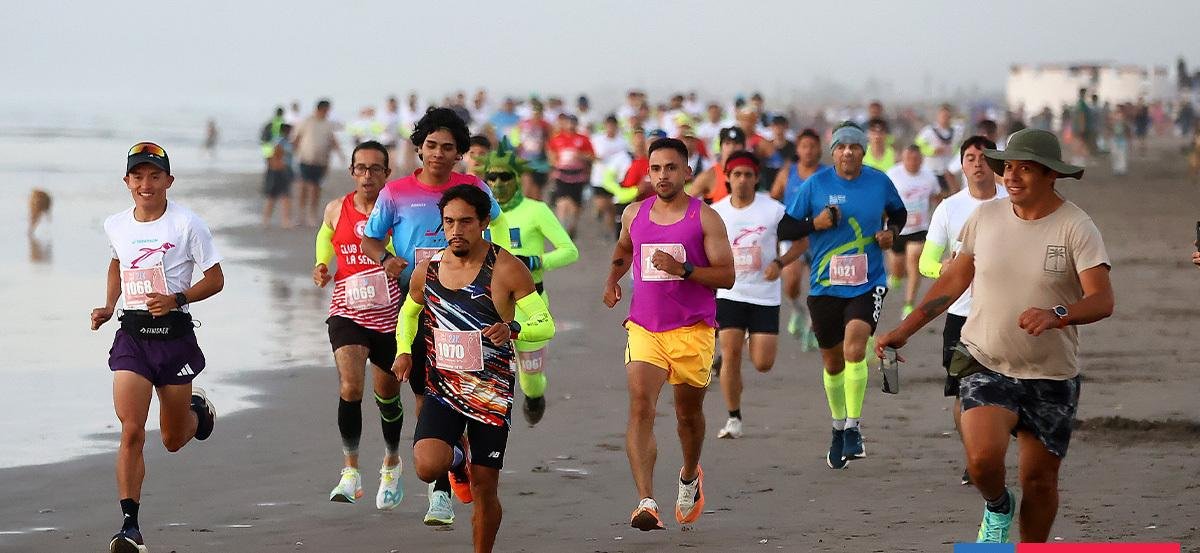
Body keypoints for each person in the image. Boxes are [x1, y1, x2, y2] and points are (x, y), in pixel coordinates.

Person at [876, 128, 1113, 543]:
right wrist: (904, 330)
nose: (1012, 176)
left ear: (1051, 175)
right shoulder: (984, 218)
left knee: (1039, 481)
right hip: (985, 360)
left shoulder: (1076, 226)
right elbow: (953, 281)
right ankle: (998, 505)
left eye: (1025, 169)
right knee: (983, 461)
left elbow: (1102, 299)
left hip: (1050, 374)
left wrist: (1057, 314)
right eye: (1008, 167)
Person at [360, 107, 509, 526]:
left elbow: (497, 230)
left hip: (467, 311)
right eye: (431, 146)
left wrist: (498, 276)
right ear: (419, 149)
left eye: (447, 147)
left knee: (450, 395)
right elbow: (371, 239)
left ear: (460, 153)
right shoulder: (396, 193)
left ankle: (444, 485)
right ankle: (448, 475)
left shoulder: (474, 188)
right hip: (415, 307)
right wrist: (387, 260)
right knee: (426, 398)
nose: (438, 153)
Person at [393, 184, 555, 553]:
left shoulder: (506, 268)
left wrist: (514, 328)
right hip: (443, 389)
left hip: (490, 395)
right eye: (449, 222)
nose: (456, 230)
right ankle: (457, 458)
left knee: (485, 488)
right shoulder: (428, 270)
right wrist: (404, 351)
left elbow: (545, 323)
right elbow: (409, 312)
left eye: (465, 222)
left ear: (483, 222)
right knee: (426, 466)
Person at [92, 142, 222, 553]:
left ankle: (199, 415)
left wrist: (177, 298)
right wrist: (109, 305)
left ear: (169, 180)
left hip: (174, 339)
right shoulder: (116, 224)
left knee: (171, 438)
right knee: (131, 430)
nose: (145, 184)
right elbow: (117, 263)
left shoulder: (187, 225)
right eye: (138, 176)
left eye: (154, 176)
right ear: (127, 181)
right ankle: (130, 526)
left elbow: (216, 279)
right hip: (132, 338)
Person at [602, 138, 735, 531]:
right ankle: (646, 501)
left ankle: (690, 474)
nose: (663, 176)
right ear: (648, 172)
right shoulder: (634, 213)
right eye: (656, 168)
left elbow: (727, 275)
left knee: (687, 415)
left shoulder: (705, 218)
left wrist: (684, 270)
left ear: (687, 172)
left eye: (671, 168)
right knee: (641, 406)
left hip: (693, 330)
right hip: (645, 327)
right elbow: (624, 248)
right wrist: (612, 279)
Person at [783, 123, 906, 470]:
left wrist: (891, 233)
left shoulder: (879, 181)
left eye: (854, 146)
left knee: (855, 348)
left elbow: (898, 213)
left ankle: (853, 427)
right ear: (833, 152)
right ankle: (838, 427)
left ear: (863, 151)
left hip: (868, 282)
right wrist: (815, 223)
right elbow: (785, 228)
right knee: (833, 363)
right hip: (824, 285)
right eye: (841, 146)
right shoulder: (815, 185)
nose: (848, 151)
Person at [313, 141, 407, 509]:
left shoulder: (397, 211)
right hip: (347, 312)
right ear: (352, 172)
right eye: (361, 168)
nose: (367, 175)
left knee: (387, 398)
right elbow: (326, 233)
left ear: (387, 173)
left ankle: (391, 463)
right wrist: (322, 264)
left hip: (390, 316)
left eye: (375, 168)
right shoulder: (337, 208)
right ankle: (350, 472)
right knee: (351, 387)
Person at [919, 135, 1007, 486]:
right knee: (963, 391)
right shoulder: (949, 208)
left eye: (984, 157)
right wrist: (945, 268)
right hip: (962, 314)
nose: (977, 163)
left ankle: (992, 451)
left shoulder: (1012, 201)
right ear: (961, 165)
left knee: (1004, 390)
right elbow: (926, 262)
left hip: (1005, 312)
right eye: (970, 157)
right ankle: (975, 456)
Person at [475, 139, 579, 424]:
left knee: (530, 381)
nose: (498, 183)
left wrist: (535, 261)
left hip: (530, 305)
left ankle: (535, 397)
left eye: (505, 177)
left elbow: (570, 251)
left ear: (518, 178)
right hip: (488, 306)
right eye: (492, 177)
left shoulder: (537, 210)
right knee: (483, 376)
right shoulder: (475, 214)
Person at [710, 151, 805, 439]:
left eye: (748, 175)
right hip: (730, 292)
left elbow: (801, 242)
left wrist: (780, 263)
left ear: (756, 179)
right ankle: (733, 418)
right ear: (728, 178)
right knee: (730, 354)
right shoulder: (716, 212)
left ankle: (751, 337)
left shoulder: (773, 210)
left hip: (764, 295)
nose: (742, 180)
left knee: (763, 363)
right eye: (737, 175)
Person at [769, 129, 826, 348]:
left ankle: (814, 325)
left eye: (812, 146)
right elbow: (773, 199)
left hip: (821, 236)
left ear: (819, 149)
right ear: (798, 150)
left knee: (819, 285)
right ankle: (797, 310)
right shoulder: (788, 172)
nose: (808, 150)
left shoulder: (827, 174)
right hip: (793, 235)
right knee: (791, 283)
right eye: (804, 146)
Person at [884, 145, 940, 318]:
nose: (913, 162)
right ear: (903, 159)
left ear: (921, 160)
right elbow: (882, 199)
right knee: (898, 268)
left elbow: (936, 196)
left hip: (920, 228)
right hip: (897, 228)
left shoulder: (929, 176)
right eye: (909, 159)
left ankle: (909, 304)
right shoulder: (893, 174)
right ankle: (896, 276)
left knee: (914, 259)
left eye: (916, 159)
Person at [292, 99, 345, 226]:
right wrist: (293, 154)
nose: (327, 113)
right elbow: (297, 138)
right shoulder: (307, 122)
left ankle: (312, 214)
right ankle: (301, 214)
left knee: (316, 188)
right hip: (305, 159)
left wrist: (340, 155)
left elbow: (333, 141)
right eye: (326, 110)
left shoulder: (327, 124)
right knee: (304, 187)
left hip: (321, 161)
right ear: (320, 109)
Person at [546, 114, 595, 237]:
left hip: (578, 176)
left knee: (575, 205)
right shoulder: (557, 138)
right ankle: (562, 228)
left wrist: (580, 155)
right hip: (561, 174)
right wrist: (553, 162)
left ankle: (573, 226)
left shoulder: (583, 139)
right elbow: (551, 152)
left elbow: (592, 156)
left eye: (573, 123)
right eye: (569, 123)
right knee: (562, 202)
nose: (571, 125)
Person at [591, 115, 631, 233]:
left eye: (613, 126)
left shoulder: (623, 141)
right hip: (599, 177)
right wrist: (595, 158)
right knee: (602, 204)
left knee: (612, 207)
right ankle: (599, 212)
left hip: (616, 179)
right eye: (608, 125)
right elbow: (589, 153)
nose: (611, 128)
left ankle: (612, 232)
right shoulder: (597, 139)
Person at [915, 104, 964, 194]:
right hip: (932, 170)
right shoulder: (928, 131)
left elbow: (958, 147)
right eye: (943, 116)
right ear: (938, 116)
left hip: (949, 171)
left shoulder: (956, 132)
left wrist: (952, 152)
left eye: (947, 116)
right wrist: (932, 151)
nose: (945, 118)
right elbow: (918, 145)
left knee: (950, 195)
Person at [690, 127, 746, 204]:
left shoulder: (750, 174)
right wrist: (702, 211)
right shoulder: (709, 176)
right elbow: (686, 203)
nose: (732, 148)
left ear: (743, 147)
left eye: (736, 143)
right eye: (727, 143)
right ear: (721, 147)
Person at [262, 123, 295, 228]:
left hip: (281, 169)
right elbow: (275, 156)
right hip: (279, 170)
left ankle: (271, 219)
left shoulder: (282, 141)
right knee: (280, 195)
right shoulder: (280, 141)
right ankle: (282, 220)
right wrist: (280, 166)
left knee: (281, 196)